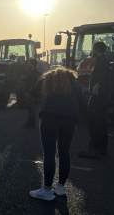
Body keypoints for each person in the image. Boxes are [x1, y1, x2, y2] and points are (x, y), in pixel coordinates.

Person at [29, 67, 84, 201]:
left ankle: (47, 190)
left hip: (50, 115)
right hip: (70, 117)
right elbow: (81, 100)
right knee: (64, 152)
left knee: (49, 152)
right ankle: (60, 186)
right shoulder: (75, 82)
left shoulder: (48, 79)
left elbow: (33, 92)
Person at [78, 41, 111, 158]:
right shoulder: (101, 61)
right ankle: (101, 148)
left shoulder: (103, 62)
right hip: (100, 96)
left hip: (98, 97)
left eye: (93, 49)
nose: (92, 51)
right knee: (100, 122)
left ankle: (94, 148)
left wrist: (97, 85)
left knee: (94, 122)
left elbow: (106, 75)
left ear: (97, 49)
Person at [21, 58, 41, 129]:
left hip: (31, 92)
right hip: (31, 91)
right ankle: (30, 123)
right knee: (30, 108)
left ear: (33, 65)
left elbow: (32, 82)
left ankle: (30, 123)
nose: (27, 65)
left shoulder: (34, 73)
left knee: (31, 108)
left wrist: (24, 79)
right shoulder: (35, 73)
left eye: (29, 63)